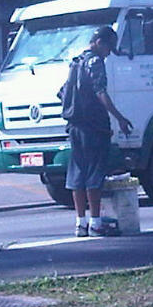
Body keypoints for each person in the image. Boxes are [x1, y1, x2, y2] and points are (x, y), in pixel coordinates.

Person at [59, 26, 133, 237]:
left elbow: (62, 92)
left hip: (74, 126)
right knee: (94, 175)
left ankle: (80, 224)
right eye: (109, 46)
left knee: (77, 175)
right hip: (93, 127)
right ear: (100, 42)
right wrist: (119, 118)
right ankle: (95, 222)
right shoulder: (95, 62)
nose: (109, 52)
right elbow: (100, 92)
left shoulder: (75, 61)